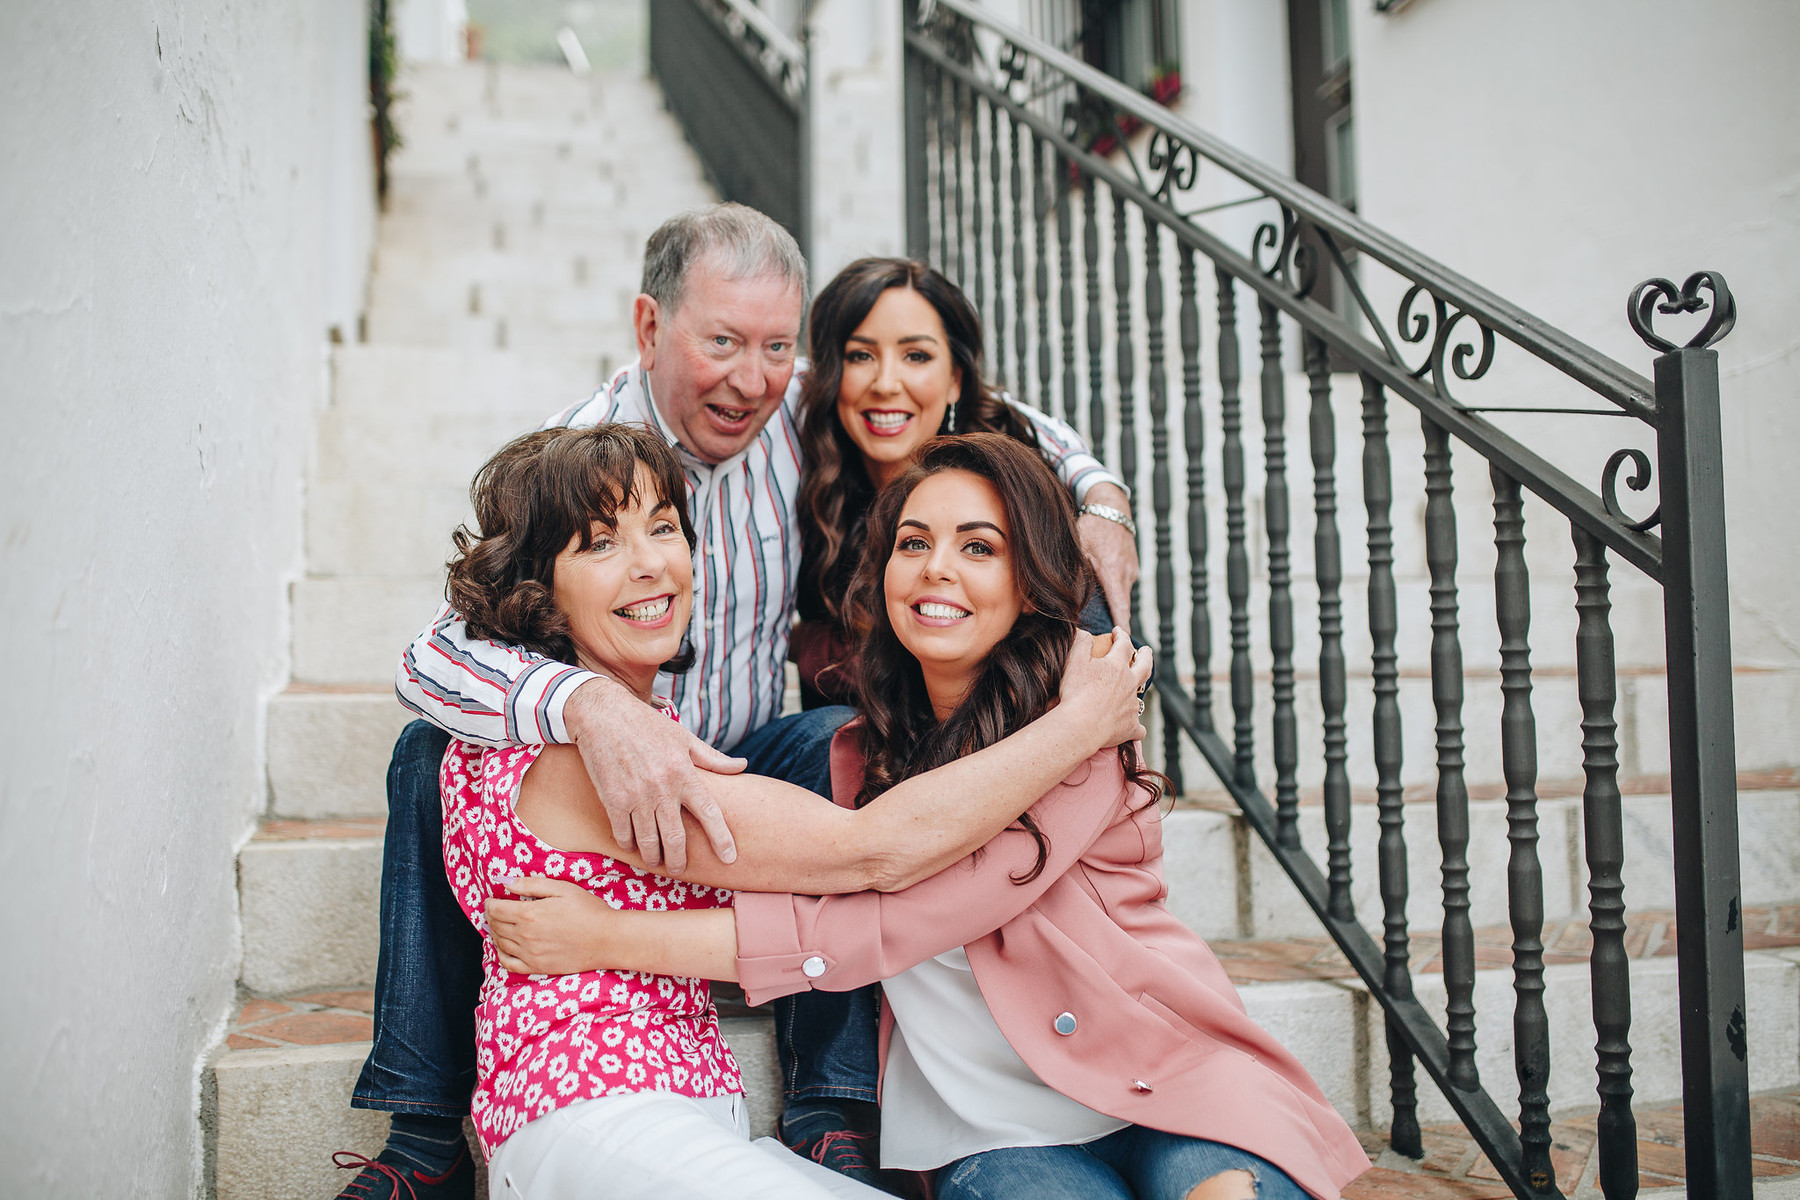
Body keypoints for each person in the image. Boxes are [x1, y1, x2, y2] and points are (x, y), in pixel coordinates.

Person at [339, 204, 1139, 1199]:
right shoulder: (585, 454)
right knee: (428, 753)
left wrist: (1100, 497)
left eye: (774, 346)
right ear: (649, 328)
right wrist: (597, 711)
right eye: (720, 343)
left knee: (838, 736)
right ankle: (424, 1132)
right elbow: (433, 654)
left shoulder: (798, 415)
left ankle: (828, 1102)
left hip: (748, 767)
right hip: (604, 777)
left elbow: (964, 408)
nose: (750, 378)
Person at [487, 435, 1371, 1200]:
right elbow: (856, 875)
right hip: (989, 1128)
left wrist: (609, 936)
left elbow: (896, 914)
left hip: (1172, 1074)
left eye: (978, 548)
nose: (939, 568)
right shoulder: (857, 759)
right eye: (915, 541)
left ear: (1029, 583)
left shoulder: (1079, 729)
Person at [421, 423, 1147, 1200]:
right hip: (593, 1113)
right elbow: (873, 851)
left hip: (671, 1115)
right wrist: (1080, 724)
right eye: (599, 543)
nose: (649, 564)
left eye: (663, 527)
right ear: (538, 588)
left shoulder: (617, 731)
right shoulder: (594, 763)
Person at [791, 257, 1135, 708]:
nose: (886, 383)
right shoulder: (816, 483)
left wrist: (1104, 497)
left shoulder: (1019, 493)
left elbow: (1114, 677)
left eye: (916, 356)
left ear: (955, 380)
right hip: (863, 750)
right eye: (861, 356)